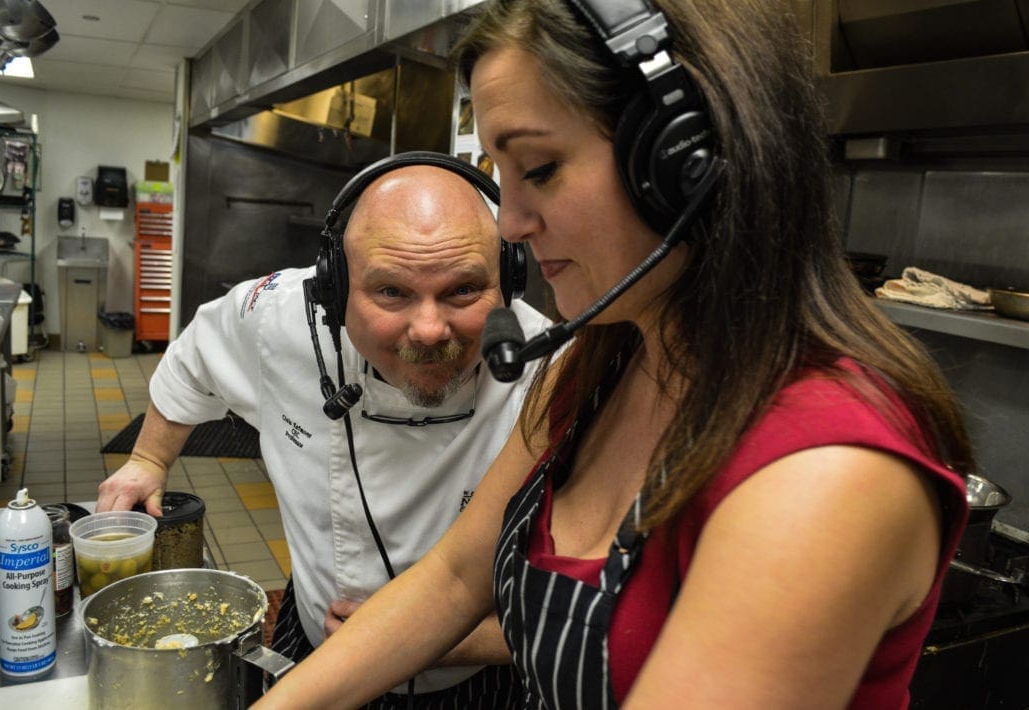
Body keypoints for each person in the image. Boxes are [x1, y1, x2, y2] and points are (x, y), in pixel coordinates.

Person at [255, 1, 973, 708]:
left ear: (682, 160)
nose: (510, 222)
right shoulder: (596, 362)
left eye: (537, 167)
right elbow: (453, 579)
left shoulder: (820, 477)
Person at [97, 153, 550, 707]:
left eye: (462, 291)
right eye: (391, 293)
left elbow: (589, 609)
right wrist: (148, 459)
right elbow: (194, 361)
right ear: (334, 289)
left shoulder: (551, 370)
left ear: (509, 280)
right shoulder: (278, 315)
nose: (430, 330)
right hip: (313, 641)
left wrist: (444, 641)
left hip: (472, 679)